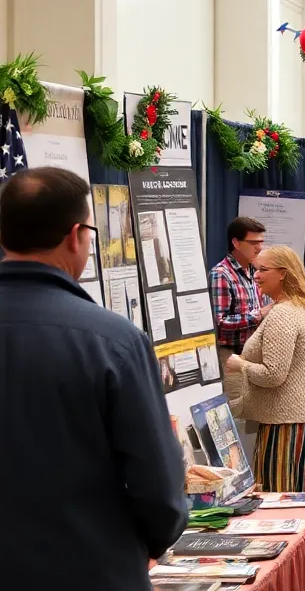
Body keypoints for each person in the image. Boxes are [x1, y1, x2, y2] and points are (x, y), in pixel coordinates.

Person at [0, 168, 189, 591]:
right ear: (75, 236)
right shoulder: (114, 342)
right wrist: (155, 540)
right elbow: (157, 482)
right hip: (89, 568)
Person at [226, 245, 305, 493]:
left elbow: (273, 375)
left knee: (284, 498)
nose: (256, 275)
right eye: (256, 269)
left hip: (286, 428)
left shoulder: (283, 314)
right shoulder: (303, 308)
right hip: (302, 422)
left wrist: (240, 364)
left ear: (283, 273)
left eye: (263, 269)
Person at [209, 216, 270, 400]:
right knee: (239, 413)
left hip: (254, 355)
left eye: (261, 242)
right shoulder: (221, 274)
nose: (259, 248)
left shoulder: (255, 271)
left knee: (256, 414)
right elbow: (219, 323)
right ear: (236, 242)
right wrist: (258, 315)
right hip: (231, 354)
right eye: (253, 243)